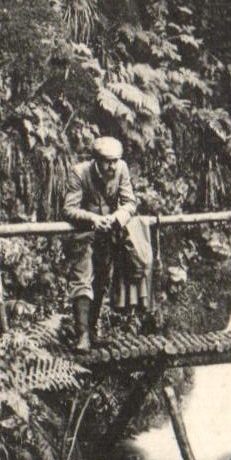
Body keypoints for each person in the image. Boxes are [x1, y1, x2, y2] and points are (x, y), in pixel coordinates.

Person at [62, 136, 149, 351]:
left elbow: (129, 202)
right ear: (96, 160)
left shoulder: (122, 169)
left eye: (114, 161)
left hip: (108, 234)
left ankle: (92, 330)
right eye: (106, 161)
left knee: (101, 281)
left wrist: (117, 217)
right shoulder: (79, 172)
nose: (111, 166)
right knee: (82, 279)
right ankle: (82, 335)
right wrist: (93, 219)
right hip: (83, 234)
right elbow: (68, 209)